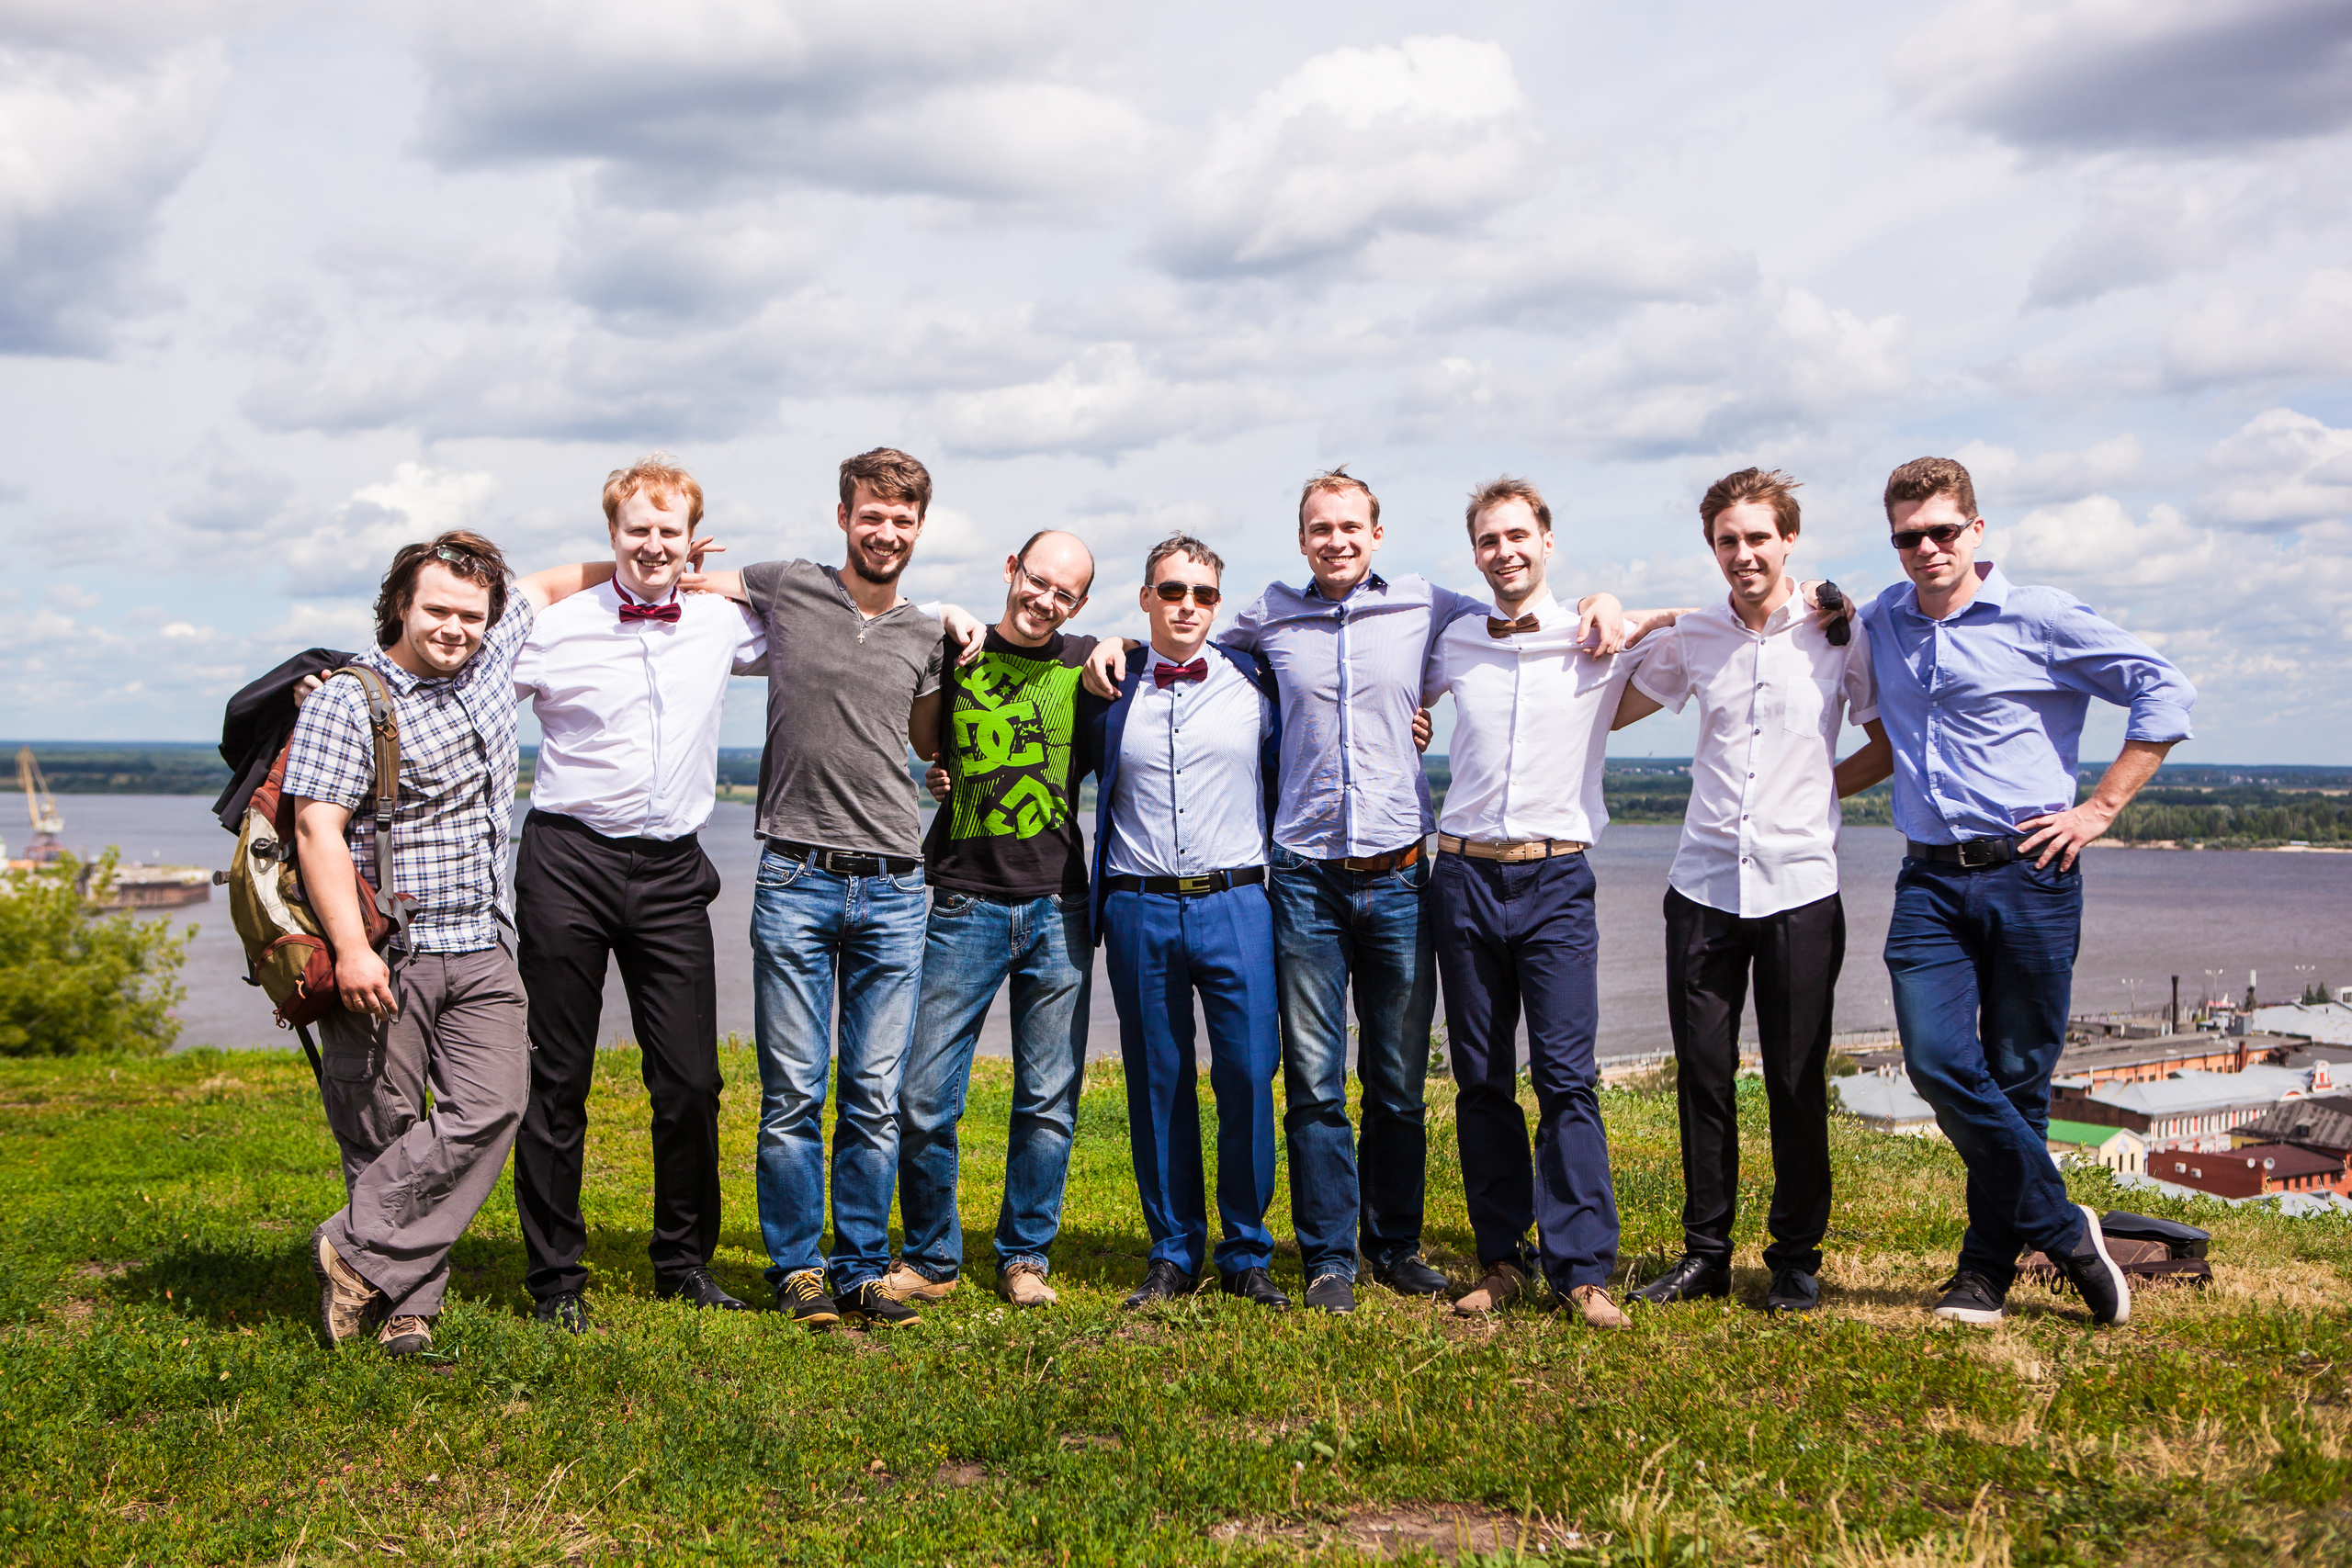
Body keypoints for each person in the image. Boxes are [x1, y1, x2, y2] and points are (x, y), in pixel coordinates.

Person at [1082, 469, 1626, 1314]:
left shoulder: (1426, 605)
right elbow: (1184, 636)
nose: (1334, 539)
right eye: (1318, 527)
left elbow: (1520, 613)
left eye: (1349, 526)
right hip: (1303, 882)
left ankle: (1396, 1244)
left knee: (1399, 1080)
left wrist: (1605, 597)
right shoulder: (1264, 616)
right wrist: (1106, 643)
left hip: (1404, 874)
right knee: (1314, 1081)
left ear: (1377, 534)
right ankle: (1330, 1255)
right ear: (1302, 540)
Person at [1863, 457, 2191, 1328]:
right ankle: (2064, 1227)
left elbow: (2165, 688)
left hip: (2032, 872)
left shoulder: (2040, 615)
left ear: (1976, 529)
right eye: (1907, 535)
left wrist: (2100, 807)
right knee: (1937, 1062)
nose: (1926, 548)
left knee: (2018, 1077)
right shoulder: (1884, 619)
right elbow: (1781, 620)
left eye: (1941, 529)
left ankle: (1983, 1274)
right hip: (1929, 876)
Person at [288, 531, 608, 1357]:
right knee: (386, 1128)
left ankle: (348, 1247)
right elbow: (317, 827)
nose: (455, 627)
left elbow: (548, 579)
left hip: (483, 945)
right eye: (437, 609)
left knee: (495, 1103)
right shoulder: (347, 700)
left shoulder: (493, 658)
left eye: (471, 613)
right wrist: (352, 949)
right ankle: (404, 1310)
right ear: (400, 604)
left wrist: (669, 566)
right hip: (390, 952)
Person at [693, 447, 966, 1329]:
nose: (886, 531)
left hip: (894, 883)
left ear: (920, 528)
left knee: (874, 1093)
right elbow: (694, 587)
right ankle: (798, 1266)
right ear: (844, 515)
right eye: (871, 514)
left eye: (903, 519)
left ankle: (856, 1266)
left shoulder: (932, 634)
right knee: (793, 1090)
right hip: (795, 876)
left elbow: (931, 742)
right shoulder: (790, 586)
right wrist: (686, 557)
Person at [1610, 468, 1890, 1315]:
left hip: (1802, 887)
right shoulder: (1694, 636)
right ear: (1713, 549)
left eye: (1758, 537)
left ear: (1789, 540)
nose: (1743, 554)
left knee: (1796, 1079)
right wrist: (1638, 619)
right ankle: (1706, 1254)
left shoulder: (1842, 632)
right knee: (1703, 1074)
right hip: (1700, 884)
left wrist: (1815, 796)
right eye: (1728, 540)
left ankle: (1796, 1257)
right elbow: (1607, 709)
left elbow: (1883, 743)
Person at [508, 455, 767, 1334]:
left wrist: (951, 615)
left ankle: (684, 1263)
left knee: (691, 1081)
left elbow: (829, 617)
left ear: (693, 540)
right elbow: (465, 640)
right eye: (637, 530)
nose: (654, 545)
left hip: (670, 871)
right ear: (612, 535)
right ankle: (555, 1282)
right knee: (556, 1078)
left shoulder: (720, 623)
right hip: (567, 862)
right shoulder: (555, 624)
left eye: (670, 531)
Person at [1420, 478, 1642, 1330]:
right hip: (1464, 875)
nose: (1504, 551)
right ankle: (1500, 1258)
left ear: (1547, 541)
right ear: (1474, 553)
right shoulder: (1453, 642)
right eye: (1488, 540)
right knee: (1479, 1078)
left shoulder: (1599, 638)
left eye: (1519, 535)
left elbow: (1690, 628)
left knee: (1565, 1077)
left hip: (1555, 879)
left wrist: (1612, 602)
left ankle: (1583, 1270)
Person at [883, 530, 1105, 1310]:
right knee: (923, 1093)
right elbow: (920, 737)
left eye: (1065, 594)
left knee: (1047, 1096)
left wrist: (1113, 637)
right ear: (1012, 570)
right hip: (961, 901)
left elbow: (1151, 641)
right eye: (1036, 580)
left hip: (1058, 905)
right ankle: (933, 1256)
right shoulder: (958, 650)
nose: (1045, 601)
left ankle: (1024, 1257)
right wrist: (945, 614)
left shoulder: (1085, 662)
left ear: (1080, 603)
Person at [1086, 534, 1289, 1310]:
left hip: (1238, 901)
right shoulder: (1109, 685)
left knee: (1245, 1073)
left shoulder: (1256, 681)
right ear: (1145, 598)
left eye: (1203, 595)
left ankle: (1245, 1251)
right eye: (1171, 591)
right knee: (1158, 1081)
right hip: (1139, 905)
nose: (1187, 607)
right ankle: (1172, 1250)